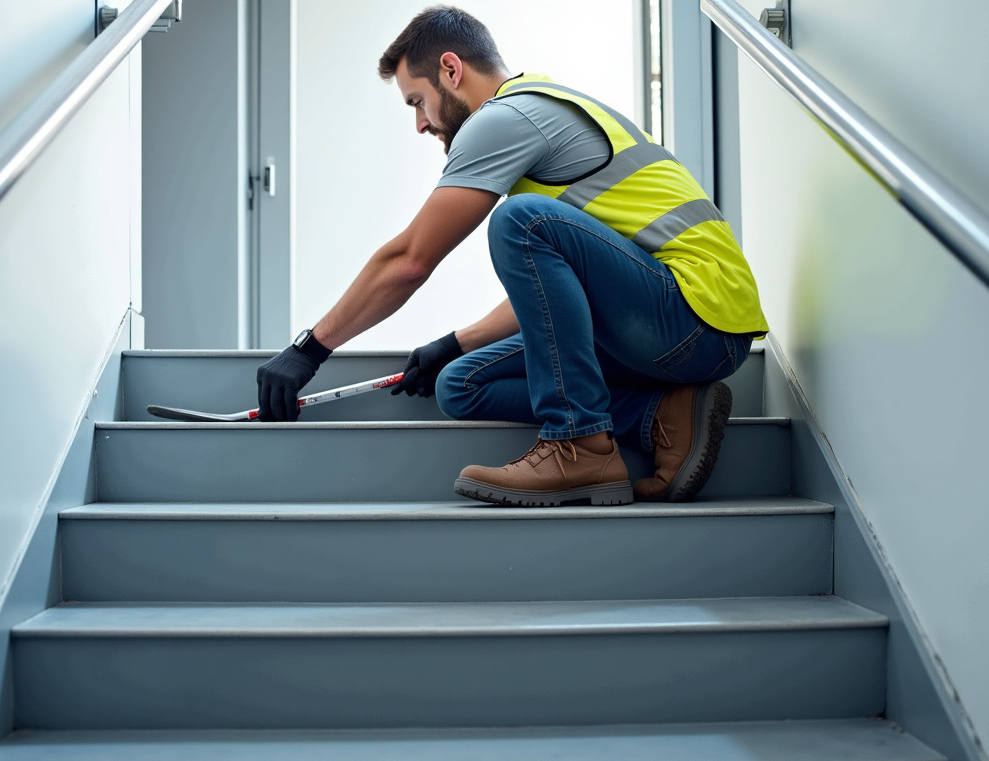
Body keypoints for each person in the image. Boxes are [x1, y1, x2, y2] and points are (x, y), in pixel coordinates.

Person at [256, 5, 768, 507]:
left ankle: (580, 442)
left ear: (450, 70)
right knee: (461, 383)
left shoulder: (506, 116)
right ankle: (662, 413)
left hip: (698, 317)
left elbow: (409, 260)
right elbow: (561, 294)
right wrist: (454, 343)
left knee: (519, 219)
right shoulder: (537, 109)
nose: (419, 124)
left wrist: (310, 349)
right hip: (671, 323)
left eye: (417, 101)